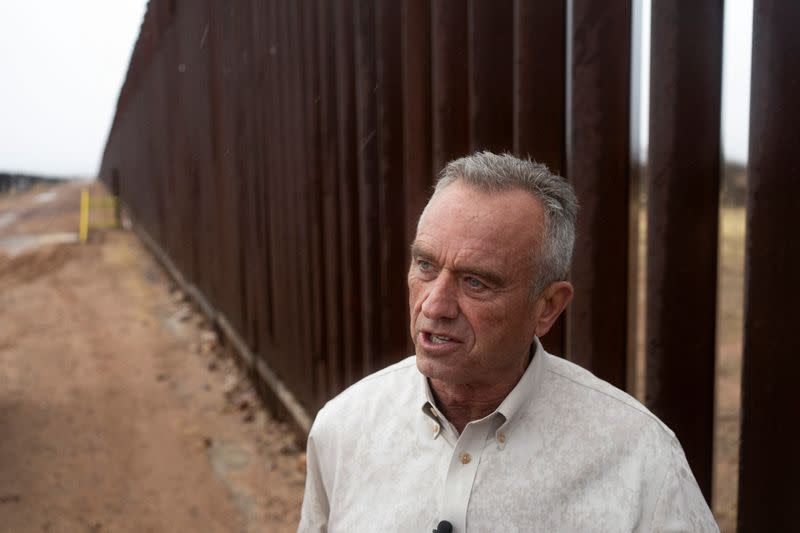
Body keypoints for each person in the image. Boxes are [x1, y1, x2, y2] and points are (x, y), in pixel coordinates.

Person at [298, 152, 718, 532]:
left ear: (548, 307)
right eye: (425, 265)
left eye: (476, 282)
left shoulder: (639, 457)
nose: (435, 305)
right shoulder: (343, 429)